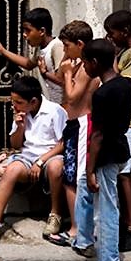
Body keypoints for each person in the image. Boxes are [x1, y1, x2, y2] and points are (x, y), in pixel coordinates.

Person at [0, 75, 67, 246]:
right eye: (13, 101)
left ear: (34, 101)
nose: (14, 106)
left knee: (56, 167)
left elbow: (63, 143)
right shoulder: (22, 113)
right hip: (27, 156)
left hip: (50, 156)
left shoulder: (55, 111)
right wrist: (20, 127)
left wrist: (41, 161)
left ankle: (55, 215)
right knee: (12, 170)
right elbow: (15, 144)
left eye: (19, 102)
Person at [76, 38, 131, 261]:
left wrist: (90, 168)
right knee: (84, 187)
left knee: (108, 208)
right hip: (120, 147)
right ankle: (84, 240)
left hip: (106, 154)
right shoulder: (124, 85)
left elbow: (97, 135)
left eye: (84, 63)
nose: (83, 68)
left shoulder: (101, 94)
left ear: (95, 62)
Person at [46, 20, 100, 248]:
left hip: (82, 124)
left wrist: (68, 74)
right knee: (70, 178)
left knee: (76, 179)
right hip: (74, 125)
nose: (65, 51)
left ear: (80, 44)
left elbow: (72, 97)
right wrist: (66, 69)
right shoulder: (78, 63)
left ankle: (79, 229)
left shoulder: (87, 68)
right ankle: (77, 227)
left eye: (67, 46)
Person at [104, 9, 131, 253]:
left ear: (125, 32)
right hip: (121, 120)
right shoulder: (126, 53)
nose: (111, 38)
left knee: (125, 173)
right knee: (121, 172)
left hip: (128, 121)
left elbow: (122, 84)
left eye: (112, 34)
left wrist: (111, 59)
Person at [0, 7, 64, 105]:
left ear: (42, 31)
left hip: (62, 106)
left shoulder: (56, 46)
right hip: (52, 104)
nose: (24, 35)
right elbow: (28, 64)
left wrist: (45, 73)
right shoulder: (40, 48)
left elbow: (62, 80)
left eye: (28, 30)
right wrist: (3, 51)